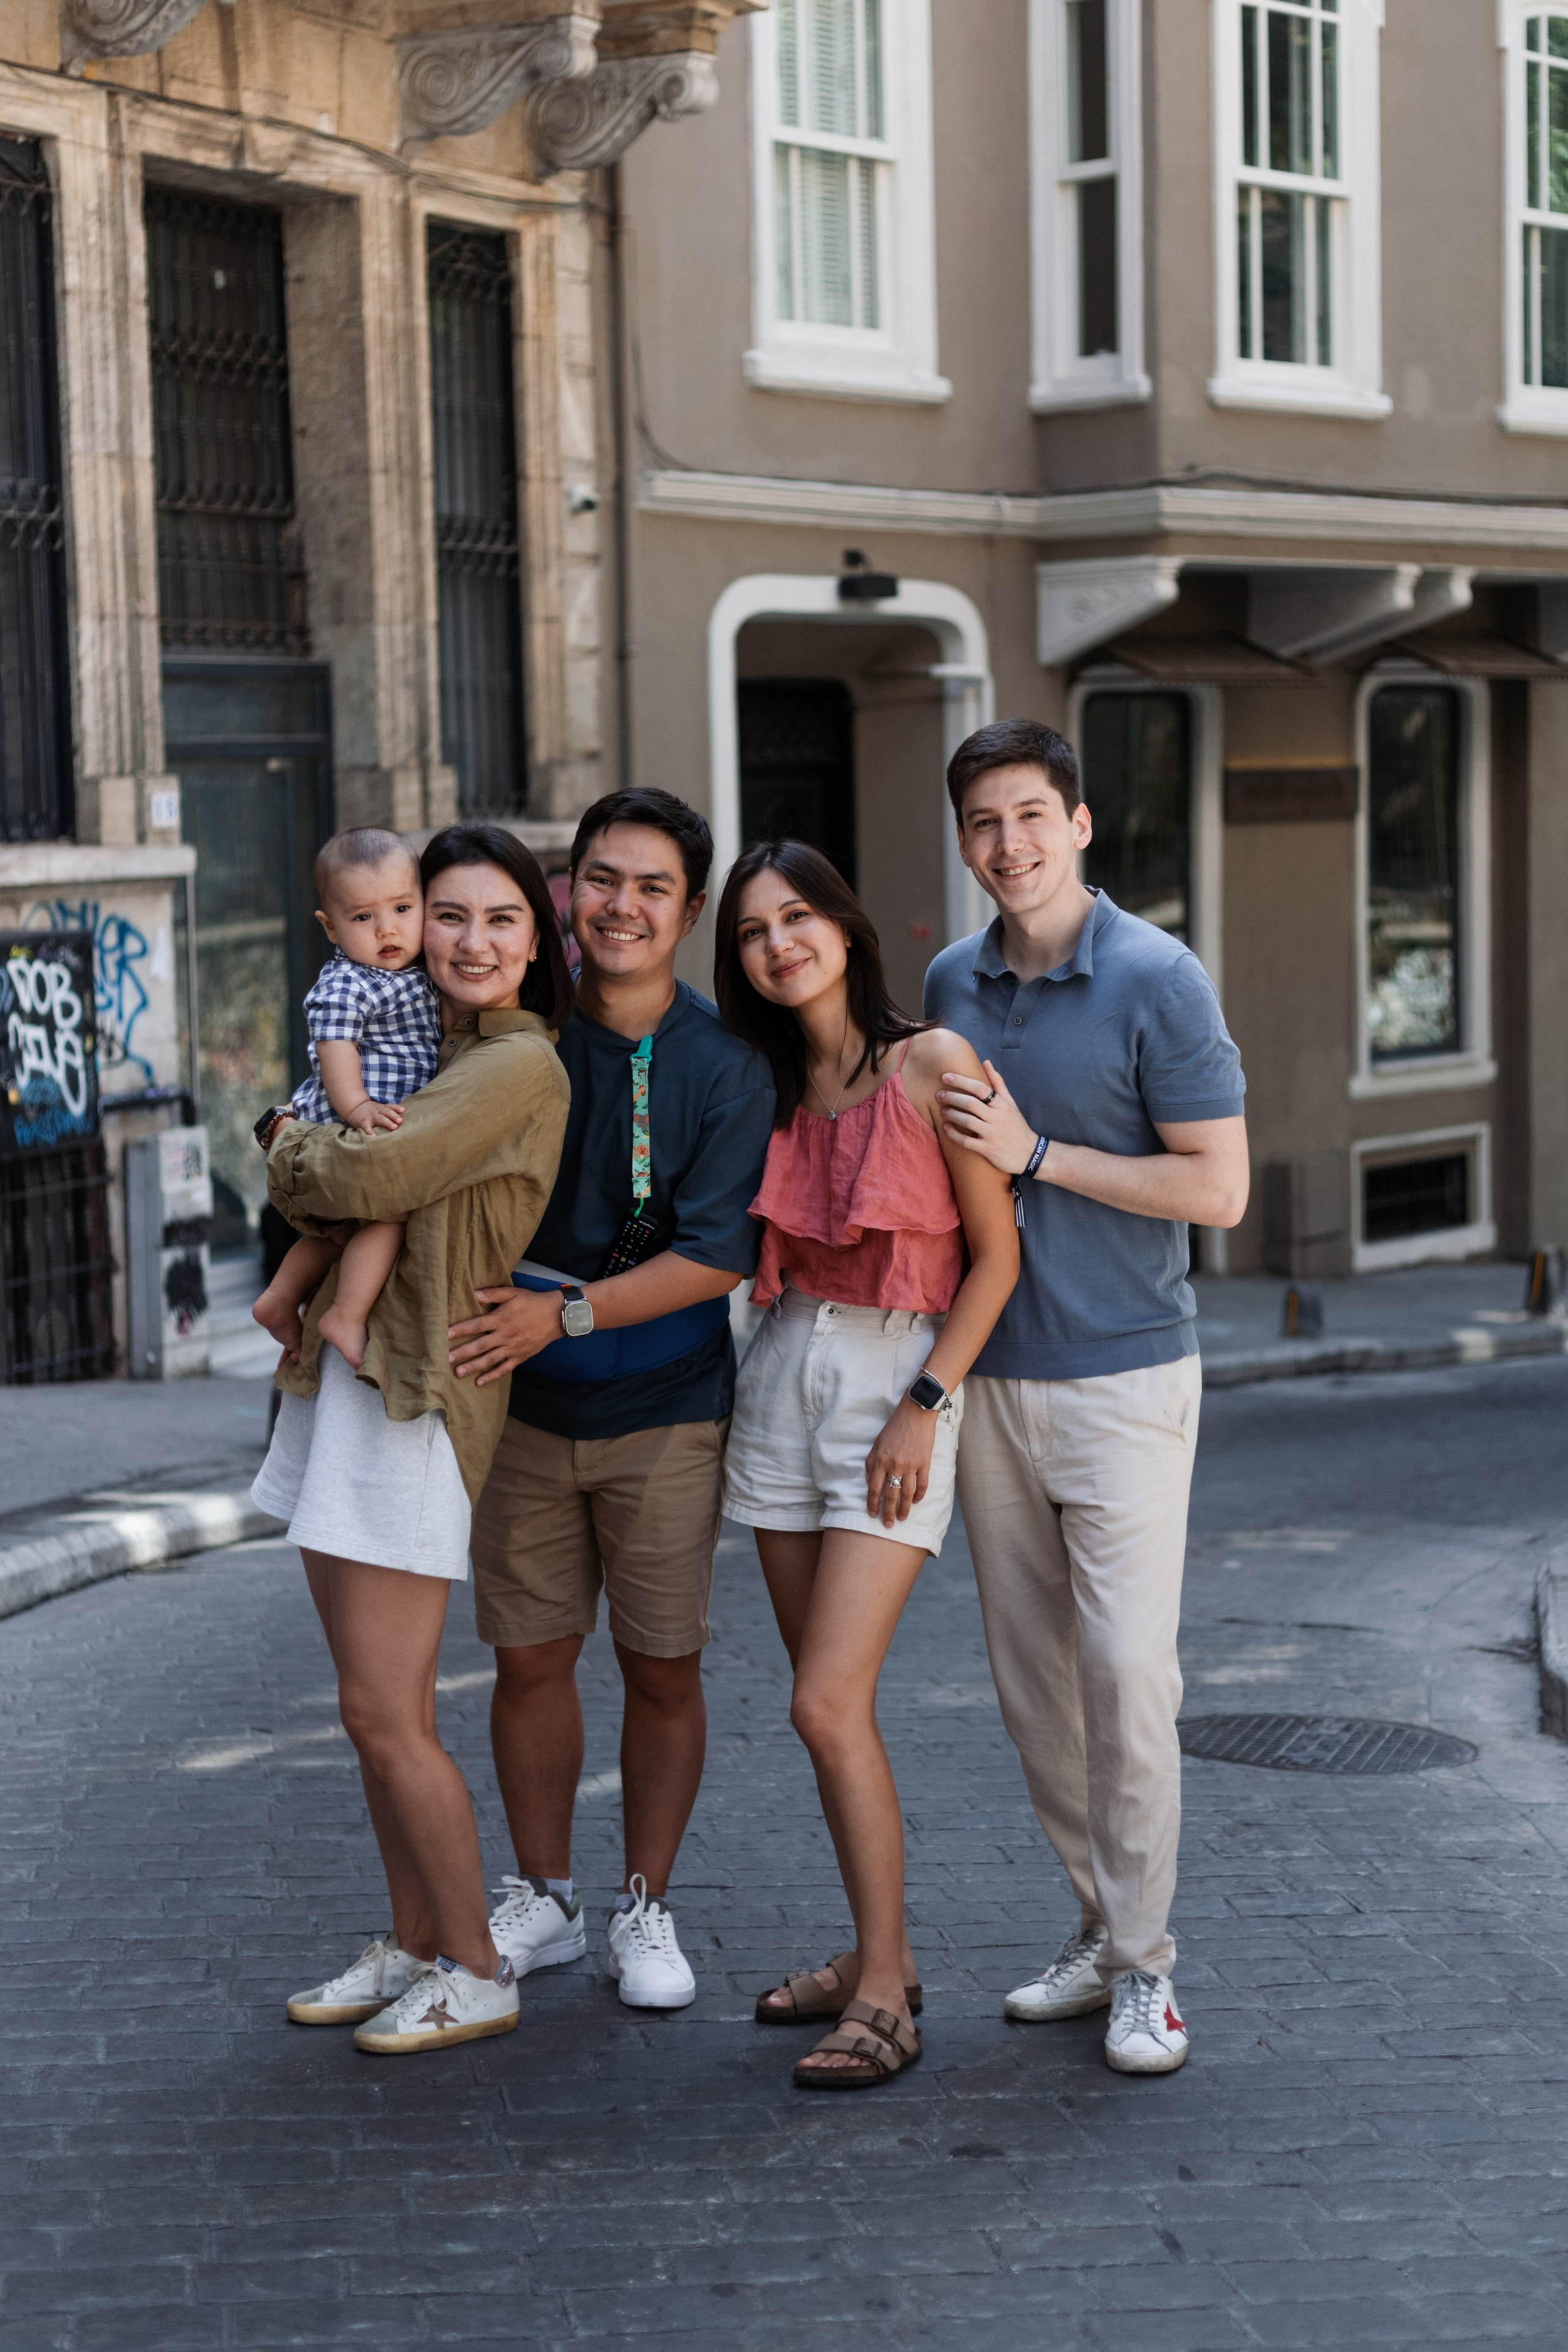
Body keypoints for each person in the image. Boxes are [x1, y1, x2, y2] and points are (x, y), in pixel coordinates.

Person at [924, 718, 1249, 2076]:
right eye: (982, 824)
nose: (1006, 845)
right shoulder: (949, 981)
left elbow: (1215, 1188)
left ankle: (1146, 1972)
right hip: (989, 1384)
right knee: (1035, 1692)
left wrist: (1040, 1153)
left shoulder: (1156, 978)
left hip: (1124, 1375)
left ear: (1078, 824)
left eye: (1028, 817)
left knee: (1125, 1676)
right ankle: (1096, 1925)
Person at [447, 789, 776, 2010]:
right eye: (600, 879)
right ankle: (543, 1896)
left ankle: (645, 1901)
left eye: (649, 887)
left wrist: (568, 1309)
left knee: (661, 1669)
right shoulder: (505, 1035)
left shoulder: (725, 1068)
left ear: (687, 912)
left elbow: (716, 1255)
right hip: (517, 1412)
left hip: (665, 1412)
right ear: (564, 896)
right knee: (527, 1661)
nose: (620, 905)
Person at [249, 825, 573, 2056]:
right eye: (446, 915)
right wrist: (309, 1147)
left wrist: (288, 1142)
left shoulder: (515, 1067)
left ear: (532, 942)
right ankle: (417, 1936)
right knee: (362, 1708)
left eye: (499, 920)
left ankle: (477, 1967)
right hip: (348, 1384)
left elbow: (360, 1181)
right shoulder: (419, 1038)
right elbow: (341, 1162)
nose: (465, 939)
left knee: (393, 1713)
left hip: (415, 1398)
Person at [714, 841, 1018, 2090]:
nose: (778, 943)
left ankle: (886, 1987)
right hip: (781, 1370)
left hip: (898, 1382)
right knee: (823, 1707)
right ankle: (866, 1948)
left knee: (823, 1703)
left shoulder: (931, 1061)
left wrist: (924, 1402)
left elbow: (995, 1260)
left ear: (843, 926)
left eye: (796, 917)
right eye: (749, 932)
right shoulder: (767, 1087)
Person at [252, 828, 443, 1370]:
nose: (387, 928)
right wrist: (357, 1107)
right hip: (347, 1117)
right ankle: (346, 1315)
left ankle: (280, 1298)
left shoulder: (415, 973)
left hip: (373, 1116)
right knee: (389, 1216)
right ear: (330, 926)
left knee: (338, 1232)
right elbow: (334, 1050)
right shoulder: (349, 983)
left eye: (403, 908)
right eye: (362, 918)